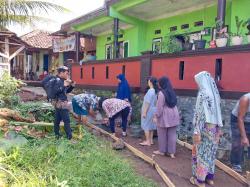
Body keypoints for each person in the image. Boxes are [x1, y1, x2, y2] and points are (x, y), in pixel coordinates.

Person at [190, 71, 223, 187]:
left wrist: (196, 131)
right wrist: (219, 130)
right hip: (214, 130)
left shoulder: (203, 94)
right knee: (210, 154)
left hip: (204, 129)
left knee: (201, 154)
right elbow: (219, 113)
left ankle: (200, 181)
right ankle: (210, 178)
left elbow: (199, 115)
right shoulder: (215, 94)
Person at [153, 76, 180, 158]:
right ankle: (172, 153)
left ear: (162, 83)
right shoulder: (172, 92)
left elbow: (159, 107)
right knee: (172, 134)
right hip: (174, 114)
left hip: (165, 115)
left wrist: (156, 116)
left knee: (162, 133)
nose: (158, 84)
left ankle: (162, 151)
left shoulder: (161, 93)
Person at [53, 66, 75, 140]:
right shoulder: (56, 80)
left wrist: (72, 86)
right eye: (66, 73)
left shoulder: (62, 80)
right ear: (61, 73)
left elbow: (65, 92)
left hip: (60, 103)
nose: (67, 75)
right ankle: (69, 138)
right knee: (66, 120)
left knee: (57, 120)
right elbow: (55, 91)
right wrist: (63, 86)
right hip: (61, 103)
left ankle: (57, 135)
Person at [230, 93, 250, 173]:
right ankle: (236, 164)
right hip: (238, 119)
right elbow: (240, 118)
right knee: (238, 142)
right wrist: (244, 137)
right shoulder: (245, 99)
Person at [140, 77, 158, 146]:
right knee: (151, 125)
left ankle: (147, 141)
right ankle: (151, 140)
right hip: (153, 109)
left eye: (148, 81)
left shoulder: (150, 91)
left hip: (148, 110)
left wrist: (144, 112)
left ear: (150, 82)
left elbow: (147, 102)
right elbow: (156, 102)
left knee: (146, 125)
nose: (148, 82)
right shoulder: (155, 91)